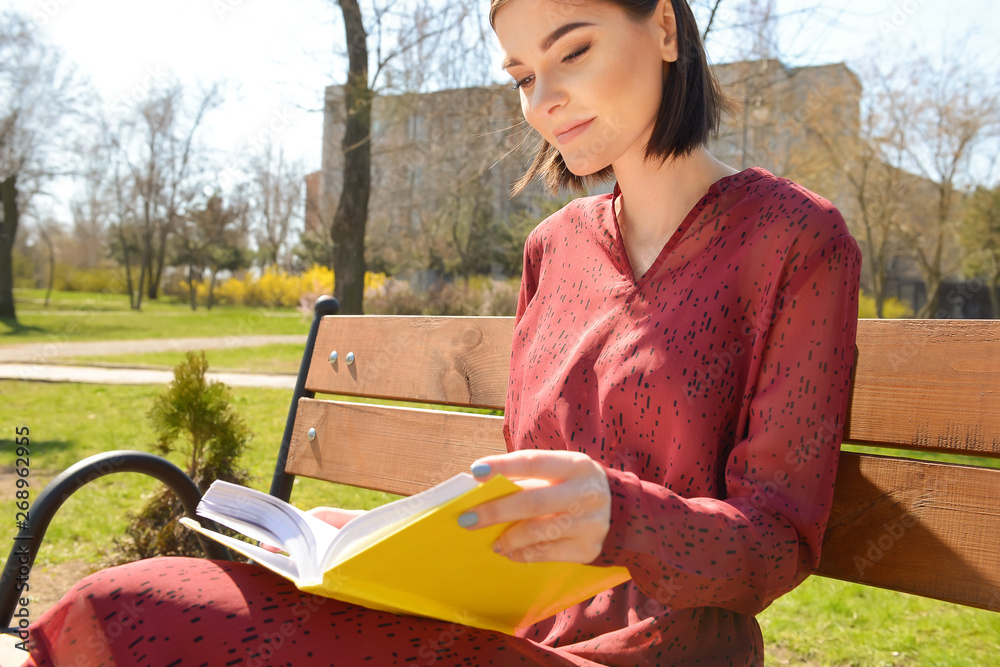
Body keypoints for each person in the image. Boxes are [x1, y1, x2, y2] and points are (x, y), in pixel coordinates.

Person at [24, 0, 861, 665]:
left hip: (657, 655)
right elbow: (512, 495)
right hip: (497, 631)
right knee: (148, 601)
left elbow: (777, 543)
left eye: (573, 51)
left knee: (141, 615)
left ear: (667, 28)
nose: (544, 99)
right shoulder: (554, 248)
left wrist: (622, 515)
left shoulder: (794, 240)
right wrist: (368, 548)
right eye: (523, 74)